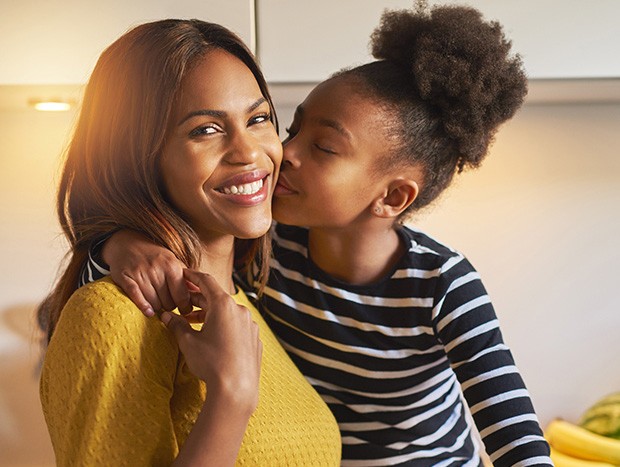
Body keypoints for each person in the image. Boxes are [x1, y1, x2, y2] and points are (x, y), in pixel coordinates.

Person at [81, 5, 553, 466]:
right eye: (292, 129)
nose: (284, 153)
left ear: (392, 198)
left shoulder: (442, 285)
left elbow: (515, 436)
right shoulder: (266, 248)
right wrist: (121, 244)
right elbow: (96, 291)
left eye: (324, 147)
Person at [37, 19, 341, 466]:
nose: (249, 152)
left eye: (258, 120)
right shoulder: (111, 317)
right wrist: (231, 397)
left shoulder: (246, 301)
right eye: (205, 130)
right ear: (136, 158)